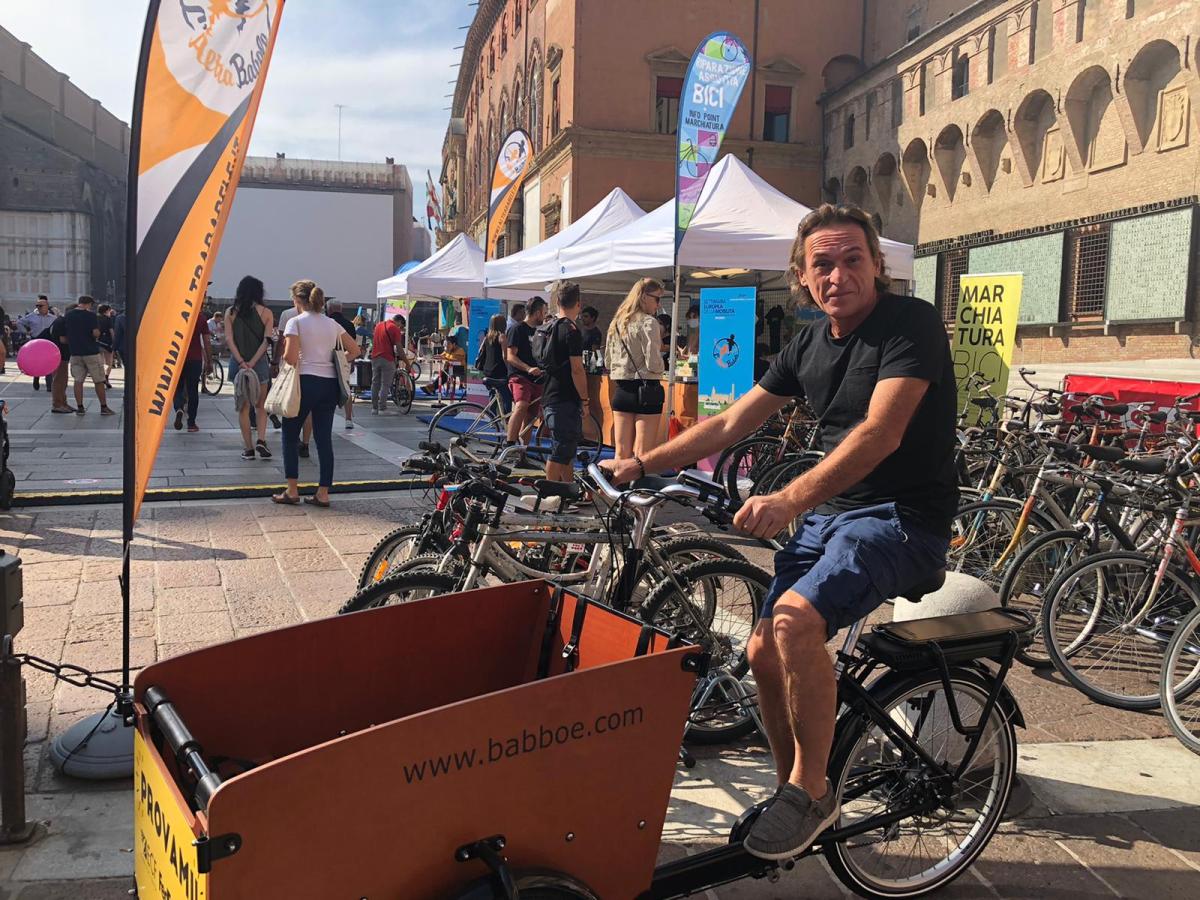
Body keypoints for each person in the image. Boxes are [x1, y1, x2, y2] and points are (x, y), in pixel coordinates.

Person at [600, 204, 956, 860]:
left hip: (902, 519)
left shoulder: (911, 324)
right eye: (823, 263)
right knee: (762, 653)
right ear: (801, 276)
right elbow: (732, 422)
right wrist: (641, 463)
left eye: (854, 259)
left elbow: (881, 432)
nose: (839, 274)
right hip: (833, 518)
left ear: (877, 265)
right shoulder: (808, 343)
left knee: (793, 623)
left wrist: (787, 498)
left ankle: (811, 788)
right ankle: (799, 789)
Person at [273, 280, 359, 508]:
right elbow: (355, 350)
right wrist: (337, 362)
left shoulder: (295, 322)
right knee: (323, 439)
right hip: (329, 385)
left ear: (298, 301)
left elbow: (291, 358)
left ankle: (292, 490)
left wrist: (295, 359)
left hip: (305, 382)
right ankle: (323, 492)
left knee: (290, 436)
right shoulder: (332, 324)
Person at [606, 278, 666, 460]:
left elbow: (608, 362)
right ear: (644, 297)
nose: (658, 304)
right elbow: (653, 364)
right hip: (646, 391)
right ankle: (637, 489)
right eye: (657, 299)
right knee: (642, 455)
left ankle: (617, 488)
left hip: (622, 391)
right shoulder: (649, 323)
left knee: (621, 453)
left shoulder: (617, 322)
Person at [539, 281, 588, 482]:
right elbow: (577, 369)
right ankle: (549, 491)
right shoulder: (571, 331)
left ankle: (567, 490)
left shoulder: (548, 327)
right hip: (565, 397)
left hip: (549, 393)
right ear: (578, 303)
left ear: (557, 301)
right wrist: (585, 400)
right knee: (561, 449)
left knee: (566, 447)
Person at [227, 275, 274, 459]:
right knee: (261, 406)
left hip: (237, 364)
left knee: (243, 407)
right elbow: (266, 341)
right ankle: (261, 440)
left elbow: (229, 339)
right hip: (259, 364)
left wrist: (241, 361)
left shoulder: (230, 312)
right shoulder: (266, 313)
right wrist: (254, 362)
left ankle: (248, 449)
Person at [505, 296, 546, 446]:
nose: (545, 316)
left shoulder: (541, 331)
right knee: (521, 405)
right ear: (537, 313)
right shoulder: (517, 329)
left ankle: (522, 453)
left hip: (537, 378)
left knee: (531, 416)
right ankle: (509, 443)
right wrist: (528, 368)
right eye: (544, 312)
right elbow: (510, 356)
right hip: (520, 376)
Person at [64, 296, 115, 415]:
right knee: (98, 380)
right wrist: (97, 335)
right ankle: (103, 407)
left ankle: (80, 407)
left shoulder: (69, 315)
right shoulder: (91, 316)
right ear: (88, 304)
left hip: (75, 352)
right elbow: (95, 333)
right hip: (91, 351)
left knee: (78, 381)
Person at [172, 313, 211, 433]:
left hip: (176, 357)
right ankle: (191, 423)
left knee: (177, 388)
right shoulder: (200, 318)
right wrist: (209, 361)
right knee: (193, 390)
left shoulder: (175, 314)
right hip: (195, 359)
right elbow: (207, 341)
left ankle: (179, 407)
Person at [327, 301, 357, 429]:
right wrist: (352, 361)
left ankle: (327, 417)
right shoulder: (349, 324)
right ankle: (348, 419)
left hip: (327, 359)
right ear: (341, 309)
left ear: (329, 310)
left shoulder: (326, 323)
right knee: (346, 388)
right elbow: (354, 346)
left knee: (327, 388)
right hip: (345, 359)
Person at [474, 313, 512, 415]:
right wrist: (510, 369)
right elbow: (505, 356)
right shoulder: (502, 337)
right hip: (500, 370)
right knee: (506, 396)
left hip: (488, 371)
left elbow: (481, 351)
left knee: (493, 394)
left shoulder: (487, 337)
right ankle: (507, 418)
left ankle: (492, 417)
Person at [17, 296, 57, 391]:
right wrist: (25, 332)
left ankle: (49, 385)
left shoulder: (53, 318)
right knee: (37, 362)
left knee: (48, 362)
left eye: (41, 305)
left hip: (48, 343)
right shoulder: (31, 316)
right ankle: (36, 378)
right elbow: (19, 322)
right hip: (35, 342)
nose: (39, 307)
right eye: (37, 305)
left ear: (47, 306)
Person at [369, 313, 406, 414]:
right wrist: (406, 361)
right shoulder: (394, 328)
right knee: (385, 384)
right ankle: (382, 408)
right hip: (387, 358)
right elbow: (399, 348)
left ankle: (374, 408)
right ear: (399, 322)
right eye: (401, 326)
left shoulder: (378, 325)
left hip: (375, 357)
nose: (401, 329)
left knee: (375, 383)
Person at [47, 311, 72, 413]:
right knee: (59, 380)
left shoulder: (60, 320)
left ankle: (63, 403)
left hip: (62, 355)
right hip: (59, 355)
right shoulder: (62, 322)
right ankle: (57, 404)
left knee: (63, 380)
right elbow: (63, 340)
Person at [96, 304, 115, 387]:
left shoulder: (95, 318)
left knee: (100, 362)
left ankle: (101, 377)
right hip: (107, 342)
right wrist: (114, 341)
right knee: (109, 362)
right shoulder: (108, 319)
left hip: (97, 342)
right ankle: (106, 377)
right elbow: (111, 331)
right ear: (107, 311)